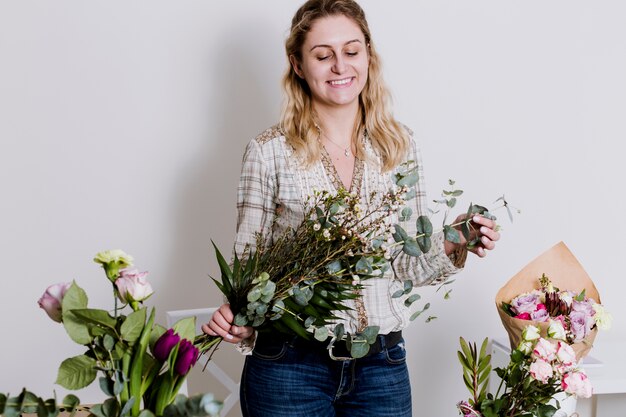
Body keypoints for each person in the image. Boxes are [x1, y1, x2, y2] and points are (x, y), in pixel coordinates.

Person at [201, 1, 500, 416]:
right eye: (323, 55)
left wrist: (456, 238)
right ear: (299, 65)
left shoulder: (399, 146)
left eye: (351, 51)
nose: (340, 66)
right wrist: (241, 314)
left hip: (381, 366)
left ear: (368, 55)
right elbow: (250, 266)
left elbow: (407, 263)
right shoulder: (268, 152)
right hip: (289, 366)